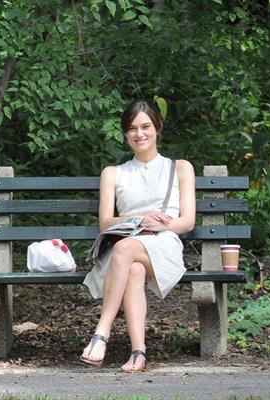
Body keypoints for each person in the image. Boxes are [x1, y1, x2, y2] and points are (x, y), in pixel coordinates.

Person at [80, 100, 196, 372]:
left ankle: (101, 333)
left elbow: (187, 221)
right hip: (129, 241)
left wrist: (160, 226)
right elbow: (106, 222)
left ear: (158, 128)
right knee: (131, 269)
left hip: (163, 244)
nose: (139, 134)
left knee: (123, 251)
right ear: (125, 134)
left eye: (145, 126)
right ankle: (138, 353)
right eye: (132, 128)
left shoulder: (180, 167)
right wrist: (139, 217)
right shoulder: (114, 173)